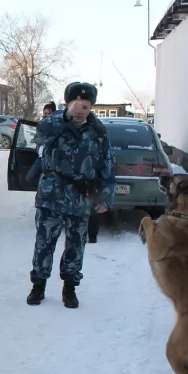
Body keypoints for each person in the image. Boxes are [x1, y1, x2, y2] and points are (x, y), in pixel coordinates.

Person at [27, 82, 116, 309]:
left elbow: (107, 166)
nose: (80, 111)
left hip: (80, 197)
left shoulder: (98, 132)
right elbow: (41, 134)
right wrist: (64, 117)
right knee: (44, 242)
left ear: (91, 108)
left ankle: (70, 288)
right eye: (76, 106)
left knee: (76, 245)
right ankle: (38, 286)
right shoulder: (53, 124)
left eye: (85, 107)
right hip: (51, 194)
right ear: (67, 104)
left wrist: (105, 197)